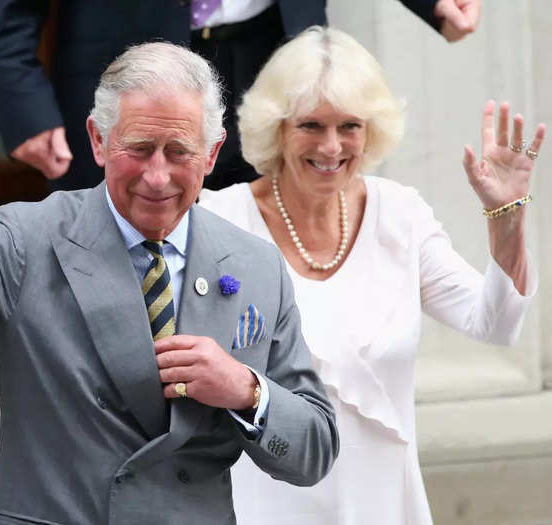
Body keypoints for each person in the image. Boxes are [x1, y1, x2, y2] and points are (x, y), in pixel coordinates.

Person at [0, 39, 339, 525]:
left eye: (178, 151)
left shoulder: (253, 264)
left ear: (213, 152)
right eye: (139, 149)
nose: (157, 176)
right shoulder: (27, 239)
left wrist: (245, 389)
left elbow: (313, 449)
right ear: (98, 140)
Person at [199, 26, 544, 524]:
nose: (332, 146)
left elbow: (494, 322)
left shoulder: (399, 215)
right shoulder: (220, 221)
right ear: (276, 127)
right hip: (263, 505)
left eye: (350, 126)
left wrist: (507, 217)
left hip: (382, 503)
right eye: (311, 125)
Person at [0, 0, 481, 192]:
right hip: (132, 65)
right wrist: (21, 99)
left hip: (273, 55)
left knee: (280, 258)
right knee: (123, 265)